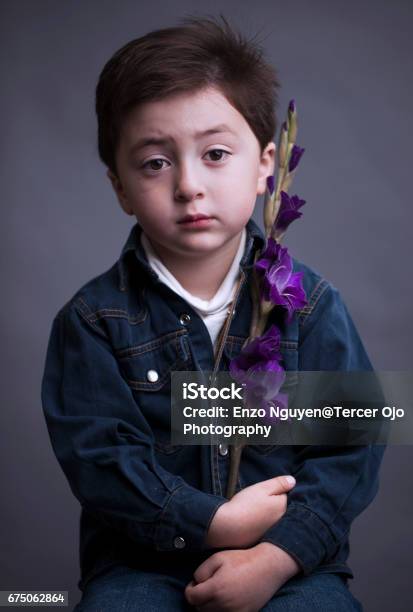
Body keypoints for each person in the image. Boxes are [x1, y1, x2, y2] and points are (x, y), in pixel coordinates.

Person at [41, 14, 384, 611]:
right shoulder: (92, 321)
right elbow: (103, 462)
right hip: (142, 567)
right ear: (119, 186)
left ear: (265, 165)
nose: (189, 185)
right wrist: (214, 523)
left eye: (217, 153)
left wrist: (274, 558)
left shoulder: (309, 303)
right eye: (155, 162)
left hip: (287, 565)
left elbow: (352, 445)